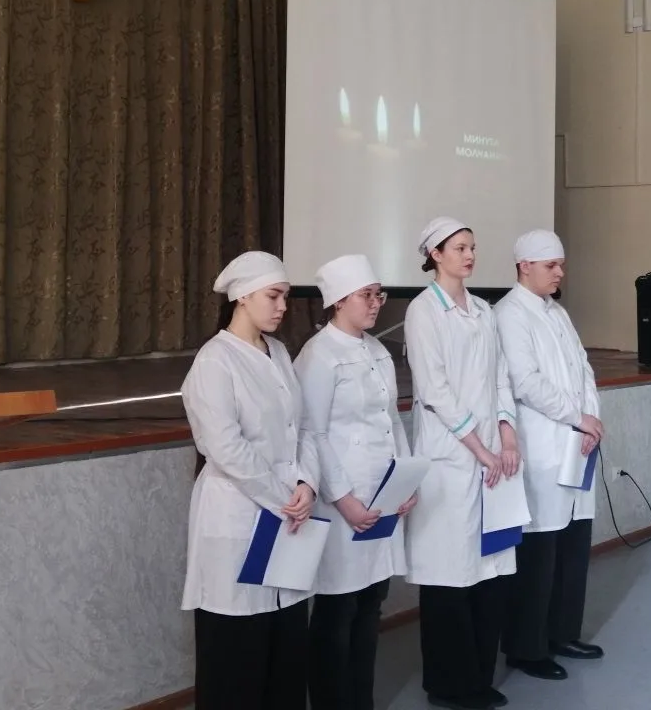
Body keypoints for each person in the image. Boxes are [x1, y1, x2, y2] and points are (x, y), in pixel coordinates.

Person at [180, 251, 319, 710]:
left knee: (285, 647)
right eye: (273, 296)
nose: (283, 306)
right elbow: (225, 447)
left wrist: (307, 484)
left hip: (286, 518)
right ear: (242, 297)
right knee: (236, 652)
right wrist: (284, 497)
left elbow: (302, 429)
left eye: (285, 297)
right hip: (239, 517)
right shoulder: (215, 360)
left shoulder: (278, 353)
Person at [403, 217, 523, 710]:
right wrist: (481, 448)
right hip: (451, 460)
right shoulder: (422, 311)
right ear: (435, 254)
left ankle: (479, 677)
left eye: (472, 247)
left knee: (488, 573)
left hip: (491, 458)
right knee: (449, 576)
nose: (469, 255)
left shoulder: (484, 311)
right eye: (459, 248)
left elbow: (500, 377)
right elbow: (436, 391)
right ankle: (449, 684)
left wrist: (507, 433)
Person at [293, 254, 417, 710]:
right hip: (340, 503)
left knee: (370, 602)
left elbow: (392, 421)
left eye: (379, 294)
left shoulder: (377, 351)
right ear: (339, 300)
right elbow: (313, 434)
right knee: (337, 607)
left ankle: (360, 700)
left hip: (381, 497)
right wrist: (343, 499)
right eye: (367, 295)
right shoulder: (318, 355)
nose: (377, 303)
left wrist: (405, 480)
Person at [494, 230, 605, 681]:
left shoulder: (557, 312)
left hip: (576, 444)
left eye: (561, 265)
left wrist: (591, 419)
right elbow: (526, 382)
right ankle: (527, 647)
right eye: (551, 266)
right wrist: (578, 417)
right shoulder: (509, 314)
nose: (560, 273)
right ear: (525, 266)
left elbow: (584, 368)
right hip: (542, 448)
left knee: (573, 546)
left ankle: (562, 633)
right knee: (540, 553)